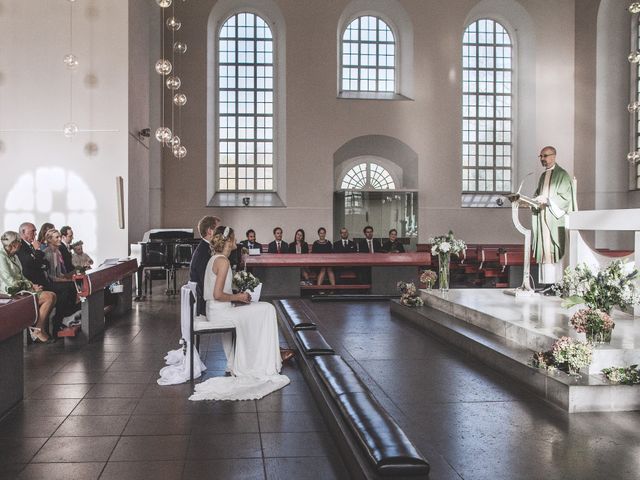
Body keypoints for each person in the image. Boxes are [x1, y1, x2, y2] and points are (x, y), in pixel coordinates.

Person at [190, 226, 290, 401]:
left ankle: (262, 356)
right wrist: (240, 297)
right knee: (267, 309)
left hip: (217, 310)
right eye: (234, 238)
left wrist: (238, 297)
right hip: (221, 312)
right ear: (228, 241)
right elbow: (217, 294)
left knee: (261, 309)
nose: (237, 241)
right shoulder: (222, 261)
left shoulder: (216, 258)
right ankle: (261, 361)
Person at [16, 222, 80, 334]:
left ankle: (64, 318)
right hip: (35, 283)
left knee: (70, 287)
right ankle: (58, 321)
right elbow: (30, 263)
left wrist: (40, 261)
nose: (35, 233)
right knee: (66, 288)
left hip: (42, 280)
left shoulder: (33, 246)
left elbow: (41, 263)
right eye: (33, 231)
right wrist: (38, 252)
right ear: (23, 232)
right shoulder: (22, 246)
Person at [532, 146, 576, 285]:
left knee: (554, 250)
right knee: (545, 252)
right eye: (541, 156)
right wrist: (533, 201)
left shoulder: (562, 174)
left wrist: (548, 201)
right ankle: (547, 283)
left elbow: (566, 198)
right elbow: (538, 194)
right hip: (543, 218)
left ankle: (557, 283)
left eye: (545, 156)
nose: (542, 159)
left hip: (555, 219)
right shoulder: (543, 176)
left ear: (554, 156)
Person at [0, 231, 55, 343]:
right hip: (9, 292)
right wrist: (30, 286)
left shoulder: (14, 256)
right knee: (49, 297)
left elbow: (21, 275)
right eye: (19, 242)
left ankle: (37, 329)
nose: (21, 244)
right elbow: (10, 282)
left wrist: (32, 285)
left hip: (20, 289)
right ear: (13, 244)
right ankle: (37, 330)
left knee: (51, 295)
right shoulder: (1, 257)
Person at [190, 216, 221, 316]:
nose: (221, 234)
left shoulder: (205, 248)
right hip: (205, 306)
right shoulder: (203, 253)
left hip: (208, 299)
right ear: (210, 231)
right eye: (218, 230)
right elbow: (206, 285)